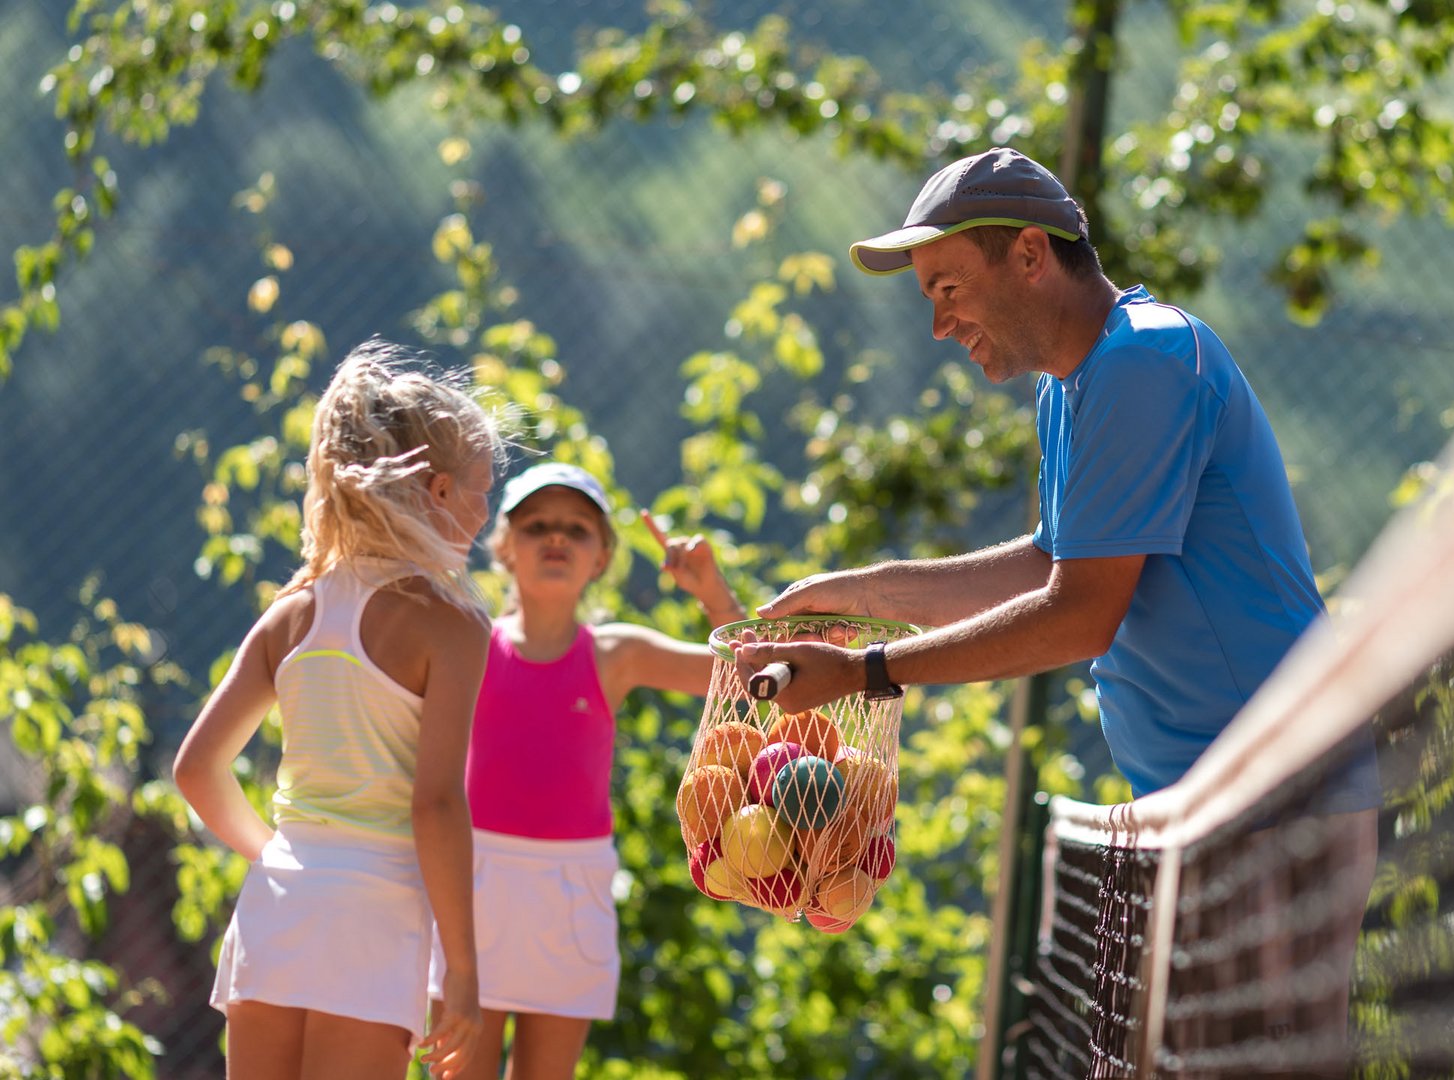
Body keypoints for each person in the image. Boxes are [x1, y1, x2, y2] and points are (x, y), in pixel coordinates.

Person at [733, 147, 1380, 1072]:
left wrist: (868, 673)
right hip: (1199, 805)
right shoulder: (1069, 383)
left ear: (1031, 256)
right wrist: (852, 596)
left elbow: (1079, 616)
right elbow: (1050, 559)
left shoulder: (1146, 359)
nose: (939, 323)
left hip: (1280, 799)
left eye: (949, 286)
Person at [173, 339, 504, 1080]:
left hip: (276, 905)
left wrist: (287, 861)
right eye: (484, 490)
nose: (488, 513)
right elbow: (438, 806)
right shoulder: (450, 626)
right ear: (442, 490)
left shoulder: (291, 613)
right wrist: (465, 973)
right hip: (375, 919)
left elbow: (197, 771)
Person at [425, 462, 746, 1079]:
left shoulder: (615, 654)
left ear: (601, 556)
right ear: (503, 547)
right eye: (537, 524)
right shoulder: (467, 642)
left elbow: (742, 677)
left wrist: (711, 592)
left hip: (570, 894)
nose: (556, 538)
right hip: (468, 885)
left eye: (577, 529)